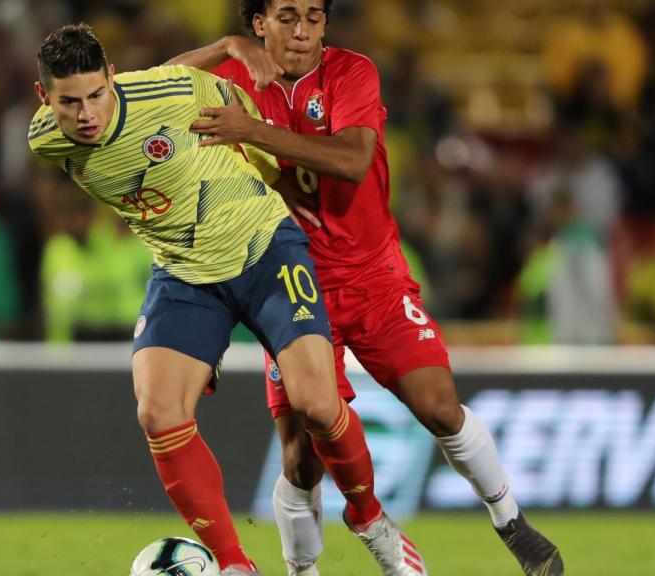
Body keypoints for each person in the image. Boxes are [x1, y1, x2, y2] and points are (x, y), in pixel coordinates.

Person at [168, 1, 564, 575]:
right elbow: (152, 88)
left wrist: (251, 131)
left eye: (313, 17)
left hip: (372, 274)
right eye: (286, 16)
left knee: (439, 406)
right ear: (258, 24)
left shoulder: (351, 72)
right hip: (291, 284)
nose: (302, 31)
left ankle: (512, 524)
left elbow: (354, 160)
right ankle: (302, 570)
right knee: (300, 459)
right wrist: (223, 48)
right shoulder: (233, 78)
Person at [29, 23, 412, 576]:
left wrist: (233, 57)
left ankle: (370, 518)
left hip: (263, 248)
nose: (87, 114)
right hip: (185, 273)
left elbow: (192, 88)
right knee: (157, 412)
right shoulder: (44, 137)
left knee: (317, 404)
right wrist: (226, 45)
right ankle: (235, 565)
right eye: (70, 102)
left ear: (113, 78)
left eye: (96, 94)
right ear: (44, 98)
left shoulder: (172, 92)